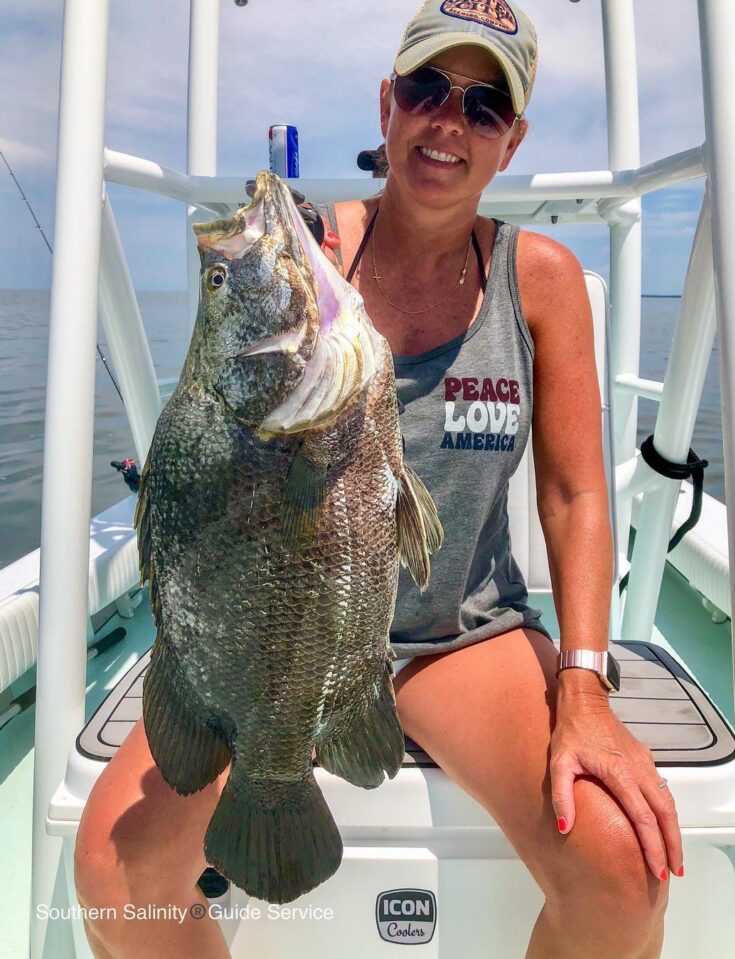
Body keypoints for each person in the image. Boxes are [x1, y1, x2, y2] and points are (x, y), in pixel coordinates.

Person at [73, 2, 683, 957]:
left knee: (624, 872)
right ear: (388, 103)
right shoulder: (311, 258)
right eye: (427, 88)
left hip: (453, 638)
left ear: (511, 139)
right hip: (284, 636)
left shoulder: (547, 281)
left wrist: (586, 686)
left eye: (483, 107)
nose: (449, 121)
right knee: (114, 874)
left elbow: (575, 497)